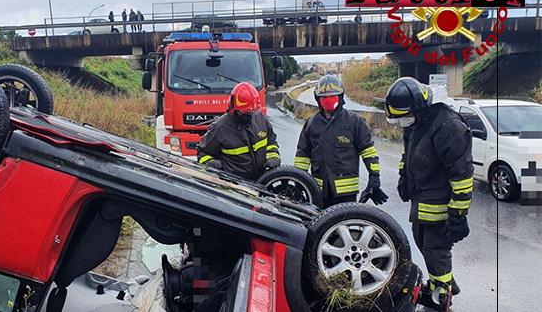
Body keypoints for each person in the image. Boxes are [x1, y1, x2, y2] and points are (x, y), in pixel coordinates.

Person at [385, 77, 473, 311]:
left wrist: (459, 214)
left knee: (436, 251)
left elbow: (462, 175)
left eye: (405, 114)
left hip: (441, 204)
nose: (403, 120)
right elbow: (408, 154)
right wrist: (403, 177)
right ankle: (442, 284)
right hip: (421, 200)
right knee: (422, 244)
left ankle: (441, 298)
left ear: (419, 106)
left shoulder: (449, 127)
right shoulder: (416, 123)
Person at [295, 75, 387, 208]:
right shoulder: (311, 124)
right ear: (317, 99)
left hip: (346, 194)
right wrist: (299, 183)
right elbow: (302, 156)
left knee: (344, 227)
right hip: (319, 191)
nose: (328, 100)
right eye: (324, 97)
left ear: (341, 97)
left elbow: (368, 152)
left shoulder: (355, 122)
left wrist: (374, 177)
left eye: (333, 96)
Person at [197, 82, 280, 181]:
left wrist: (273, 156)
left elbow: (271, 141)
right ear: (235, 109)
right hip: (234, 187)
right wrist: (210, 163)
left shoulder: (260, 119)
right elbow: (203, 152)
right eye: (245, 112)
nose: (250, 115)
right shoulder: (220, 128)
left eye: (252, 112)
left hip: (261, 181)